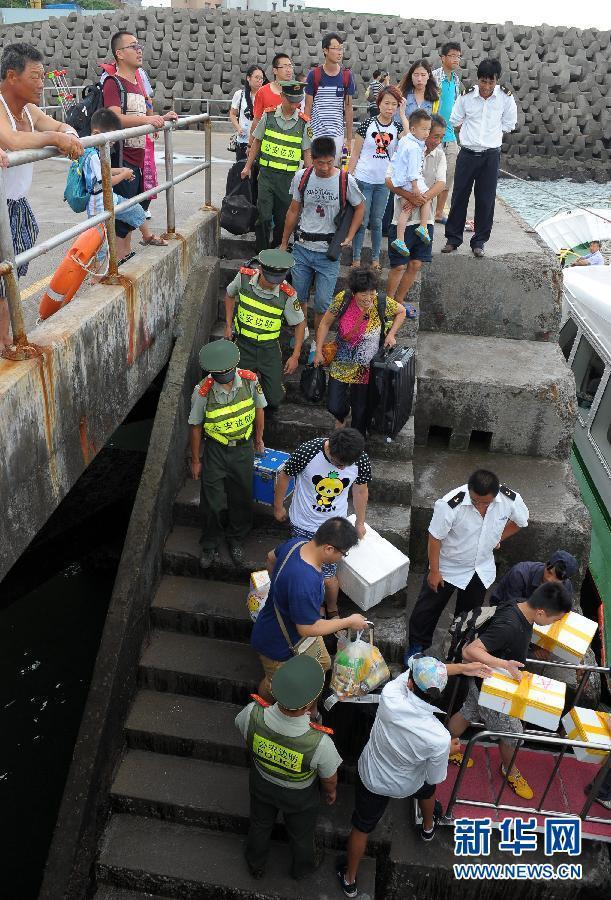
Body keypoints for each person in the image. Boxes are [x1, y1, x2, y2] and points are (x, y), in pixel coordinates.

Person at [337, 654, 493, 897]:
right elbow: (433, 777)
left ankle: (350, 880)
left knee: (362, 827)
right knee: (428, 791)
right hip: (409, 783)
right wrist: (447, 751)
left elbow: (416, 674)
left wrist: (463, 667)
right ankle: (428, 827)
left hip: (374, 776)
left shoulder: (391, 695)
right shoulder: (439, 737)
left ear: (409, 683)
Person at [448, 582, 573, 800]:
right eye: (554, 620)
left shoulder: (520, 606)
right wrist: (505, 664)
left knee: (468, 711)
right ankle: (509, 770)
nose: (554, 624)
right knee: (512, 733)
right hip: (493, 690)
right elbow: (470, 651)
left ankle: (445, 748)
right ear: (541, 612)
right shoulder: (510, 625)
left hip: (481, 680)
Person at [0, 42, 83, 353]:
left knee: (8, 278)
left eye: (43, 76)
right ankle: (5, 341)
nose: (41, 84)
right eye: (35, 77)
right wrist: (54, 138)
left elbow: (61, 125)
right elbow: (13, 140)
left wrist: (68, 135)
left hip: (16, 204)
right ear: (12, 76)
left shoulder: (28, 110)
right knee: (3, 277)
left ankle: (5, 340)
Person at [235, 654, 342, 880]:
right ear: (309, 705)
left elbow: (242, 728)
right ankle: (302, 869)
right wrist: (330, 792)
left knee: (259, 825)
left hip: (261, 784)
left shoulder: (252, 713)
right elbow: (329, 779)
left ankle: (255, 863)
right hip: (299, 798)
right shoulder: (320, 743)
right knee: (301, 835)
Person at [406, 468, 529, 660]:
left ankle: (456, 649)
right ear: (469, 490)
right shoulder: (450, 504)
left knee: (469, 615)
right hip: (448, 566)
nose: (479, 506)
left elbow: (521, 521)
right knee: (427, 609)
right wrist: (434, 571)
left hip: (480, 569)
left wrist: (498, 537)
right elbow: (435, 537)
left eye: (485, 503)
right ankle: (416, 647)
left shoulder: (509, 499)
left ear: (496, 495)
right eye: (475, 501)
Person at [251, 517, 368, 702]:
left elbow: (270, 558)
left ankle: (310, 703)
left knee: (323, 663)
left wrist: (281, 589)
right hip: (278, 643)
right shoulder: (305, 581)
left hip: (288, 626)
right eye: (343, 553)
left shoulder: (297, 544)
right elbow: (306, 628)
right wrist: (349, 621)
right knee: (276, 686)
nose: (341, 558)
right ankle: (262, 709)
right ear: (329, 548)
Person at [279, 136, 365, 359]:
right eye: (320, 163)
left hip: (328, 253)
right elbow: (293, 210)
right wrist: (284, 242)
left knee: (322, 303)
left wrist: (350, 235)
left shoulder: (345, 180)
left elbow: (360, 207)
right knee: (299, 298)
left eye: (329, 162)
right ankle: (302, 333)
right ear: (312, 159)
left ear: (334, 159)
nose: (325, 167)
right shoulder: (302, 177)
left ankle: (317, 343)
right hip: (302, 248)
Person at [273, 428, 372, 618]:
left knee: (328, 576)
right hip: (303, 523)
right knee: (307, 571)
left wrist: (360, 522)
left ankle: (332, 608)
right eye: (338, 464)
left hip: (335, 527)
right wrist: (278, 507)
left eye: (346, 466)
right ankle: (313, 607)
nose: (341, 469)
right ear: (330, 449)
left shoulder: (360, 459)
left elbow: (360, 491)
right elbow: (285, 475)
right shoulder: (308, 451)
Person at [188, 339, 266, 569]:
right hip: (216, 450)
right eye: (218, 373)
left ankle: (236, 538)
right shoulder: (202, 392)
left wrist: (258, 439)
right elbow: (195, 426)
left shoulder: (250, 381)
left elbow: (259, 409)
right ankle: (210, 543)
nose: (224, 376)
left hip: (243, 448)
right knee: (211, 501)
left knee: (241, 496)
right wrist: (196, 460)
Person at [102, 32, 177, 261]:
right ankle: (118, 261)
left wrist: (160, 118)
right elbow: (115, 118)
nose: (139, 50)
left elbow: (143, 113)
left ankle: (124, 257)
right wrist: (148, 120)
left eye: (139, 45)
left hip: (138, 157)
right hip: (121, 158)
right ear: (119, 53)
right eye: (133, 46)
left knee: (132, 210)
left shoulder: (137, 83)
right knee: (121, 216)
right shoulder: (113, 83)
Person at [313, 268, 405, 436]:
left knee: (360, 410)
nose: (368, 298)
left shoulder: (380, 301)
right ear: (354, 292)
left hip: (366, 368)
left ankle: (357, 441)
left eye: (372, 293)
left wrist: (391, 334)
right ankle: (342, 414)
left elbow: (402, 311)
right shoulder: (343, 299)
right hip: (341, 361)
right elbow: (325, 324)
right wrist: (318, 350)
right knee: (334, 405)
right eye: (364, 294)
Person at [442, 58, 517, 258]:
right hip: (467, 153)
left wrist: (490, 137)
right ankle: (453, 239)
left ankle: (479, 241)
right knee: (459, 196)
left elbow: (509, 124)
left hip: (490, 155)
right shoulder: (466, 96)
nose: (487, 86)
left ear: (497, 80)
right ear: (478, 79)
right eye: (483, 81)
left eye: (491, 82)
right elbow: (455, 120)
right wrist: (472, 135)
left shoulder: (505, 98)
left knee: (486, 200)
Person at [223, 248, 304, 410]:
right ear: (260, 269)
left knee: (274, 399)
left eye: (278, 280)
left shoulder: (287, 293)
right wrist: (228, 325)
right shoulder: (244, 277)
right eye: (270, 279)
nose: (274, 284)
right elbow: (229, 295)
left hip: (269, 349)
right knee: (236, 395)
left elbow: (300, 323)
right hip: (243, 345)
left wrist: (295, 355)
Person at [242, 80, 312, 252]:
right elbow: (257, 142)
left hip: (288, 180)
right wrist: (247, 167)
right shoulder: (269, 115)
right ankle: (261, 252)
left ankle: (278, 252)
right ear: (282, 96)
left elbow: (307, 152)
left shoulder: (304, 122)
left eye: (297, 101)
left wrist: (309, 177)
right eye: (291, 101)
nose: (295, 105)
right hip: (266, 175)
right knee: (264, 217)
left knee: (283, 220)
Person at [385, 114, 447, 305]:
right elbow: (389, 180)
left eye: (441, 137)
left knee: (416, 263)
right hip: (401, 217)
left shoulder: (440, 155)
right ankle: (388, 303)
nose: (437, 141)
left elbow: (441, 184)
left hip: (425, 219)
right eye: (434, 135)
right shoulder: (406, 147)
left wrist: (418, 200)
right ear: (420, 131)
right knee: (398, 265)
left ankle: (399, 301)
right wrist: (410, 196)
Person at [348, 86, 404, 269]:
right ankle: (356, 258)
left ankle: (375, 259)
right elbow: (355, 154)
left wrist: (403, 114)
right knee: (362, 221)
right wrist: (348, 176)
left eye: (394, 104)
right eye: (386, 103)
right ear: (379, 104)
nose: (390, 107)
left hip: (383, 182)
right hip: (363, 179)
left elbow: (410, 142)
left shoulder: (397, 127)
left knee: (377, 222)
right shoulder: (367, 124)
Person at [82, 108, 147, 266]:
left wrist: (122, 170)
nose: (110, 146)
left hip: (109, 198)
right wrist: (123, 175)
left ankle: (148, 236)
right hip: (98, 204)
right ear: (97, 134)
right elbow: (106, 181)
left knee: (135, 209)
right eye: (110, 142)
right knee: (99, 244)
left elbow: (105, 170)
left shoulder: (95, 151)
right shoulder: (91, 155)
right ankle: (96, 275)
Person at [304, 33, 356, 165]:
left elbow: (348, 108)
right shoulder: (314, 75)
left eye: (341, 48)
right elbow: (308, 107)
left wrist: (349, 139)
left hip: (337, 136)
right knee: (314, 169)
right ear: (325, 50)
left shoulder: (346, 76)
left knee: (333, 170)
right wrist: (306, 136)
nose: (340, 52)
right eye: (335, 48)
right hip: (316, 134)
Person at [389, 109, 434, 258]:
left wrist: (402, 115)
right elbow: (413, 170)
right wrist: (415, 187)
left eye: (428, 129)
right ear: (414, 130)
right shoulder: (414, 148)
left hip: (400, 181)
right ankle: (423, 226)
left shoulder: (405, 139)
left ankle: (400, 239)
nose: (427, 133)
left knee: (406, 210)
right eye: (424, 129)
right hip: (410, 182)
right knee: (426, 198)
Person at [432, 42, 462, 224]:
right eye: (452, 56)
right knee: (429, 175)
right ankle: (425, 211)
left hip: (450, 135)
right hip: (432, 133)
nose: (456, 59)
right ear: (442, 58)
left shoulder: (456, 80)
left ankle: (438, 212)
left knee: (448, 175)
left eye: (458, 56)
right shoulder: (433, 77)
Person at [490, 550, 578, 606]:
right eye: (549, 573)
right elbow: (509, 607)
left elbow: (565, 609)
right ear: (546, 564)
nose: (549, 579)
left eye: (557, 579)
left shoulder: (566, 585)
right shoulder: (519, 574)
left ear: (564, 580)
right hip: (503, 608)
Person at [251, 53, 294, 133]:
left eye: (290, 66)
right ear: (275, 70)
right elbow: (257, 120)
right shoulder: (262, 92)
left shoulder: (298, 92)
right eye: (285, 67)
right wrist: (251, 141)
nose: (288, 70)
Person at [229, 65, 265, 162]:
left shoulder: (265, 96)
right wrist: (238, 128)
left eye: (261, 78)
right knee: (242, 167)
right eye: (257, 77)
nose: (259, 80)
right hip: (243, 141)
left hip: (260, 141)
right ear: (248, 78)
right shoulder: (239, 94)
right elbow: (232, 114)